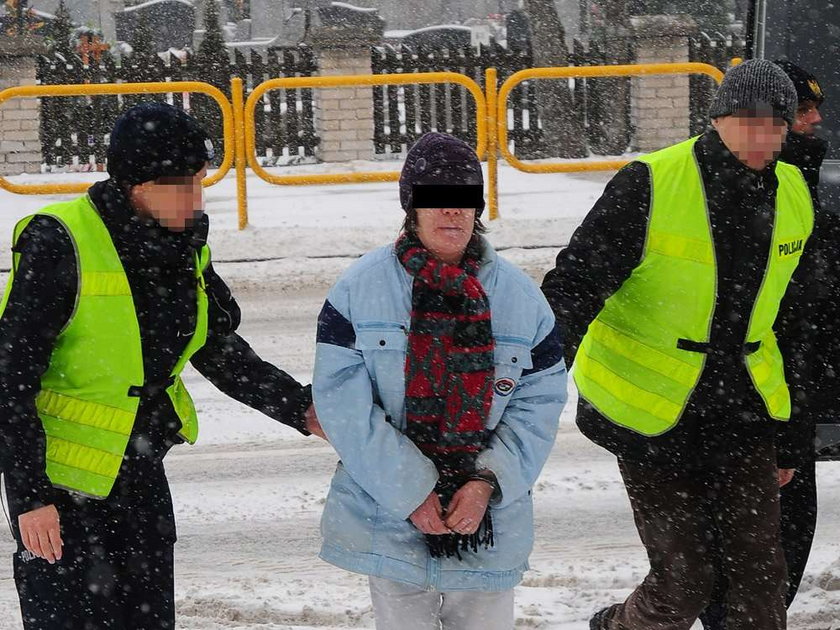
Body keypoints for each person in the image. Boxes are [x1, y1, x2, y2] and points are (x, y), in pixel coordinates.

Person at [0, 102, 324, 630]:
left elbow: (216, 347)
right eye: (183, 185)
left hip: (140, 478)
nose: (196, 199)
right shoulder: (61, 240)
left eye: (200, 182)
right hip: (62, 494)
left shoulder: (184, 245)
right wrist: (31, 498)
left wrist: (299, 408)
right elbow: (9, 380)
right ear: (137, 184)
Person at [541, 59, 824, 630]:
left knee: (761, 582)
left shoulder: (795, 192)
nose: (761, 135)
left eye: (775, 122)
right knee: (686, 579)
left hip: (742, 408)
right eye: (748, 119)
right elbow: (573, 287)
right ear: (718, 118)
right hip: (649, 410)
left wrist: (793, 438)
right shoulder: (651, 182)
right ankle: (616, 626)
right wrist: (533, 382)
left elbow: (797, 325)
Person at [313, 132, 566, 630]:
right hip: (389, 514)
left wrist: (483, 485)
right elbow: (343, 405)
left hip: (488, 521)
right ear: (411, 206)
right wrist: (412, 491)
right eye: (437, 198)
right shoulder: (358, 290)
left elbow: (539, 406)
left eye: (464, 198)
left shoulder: (521, 298)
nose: (452, 212)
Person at [699, 59, 830, 630]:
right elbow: (785, 328)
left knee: (764, 580)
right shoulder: (735, 194)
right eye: (803, 111)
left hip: (782, 410)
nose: (816, 119)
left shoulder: (801, 195)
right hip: (738, 411)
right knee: (738, 580)